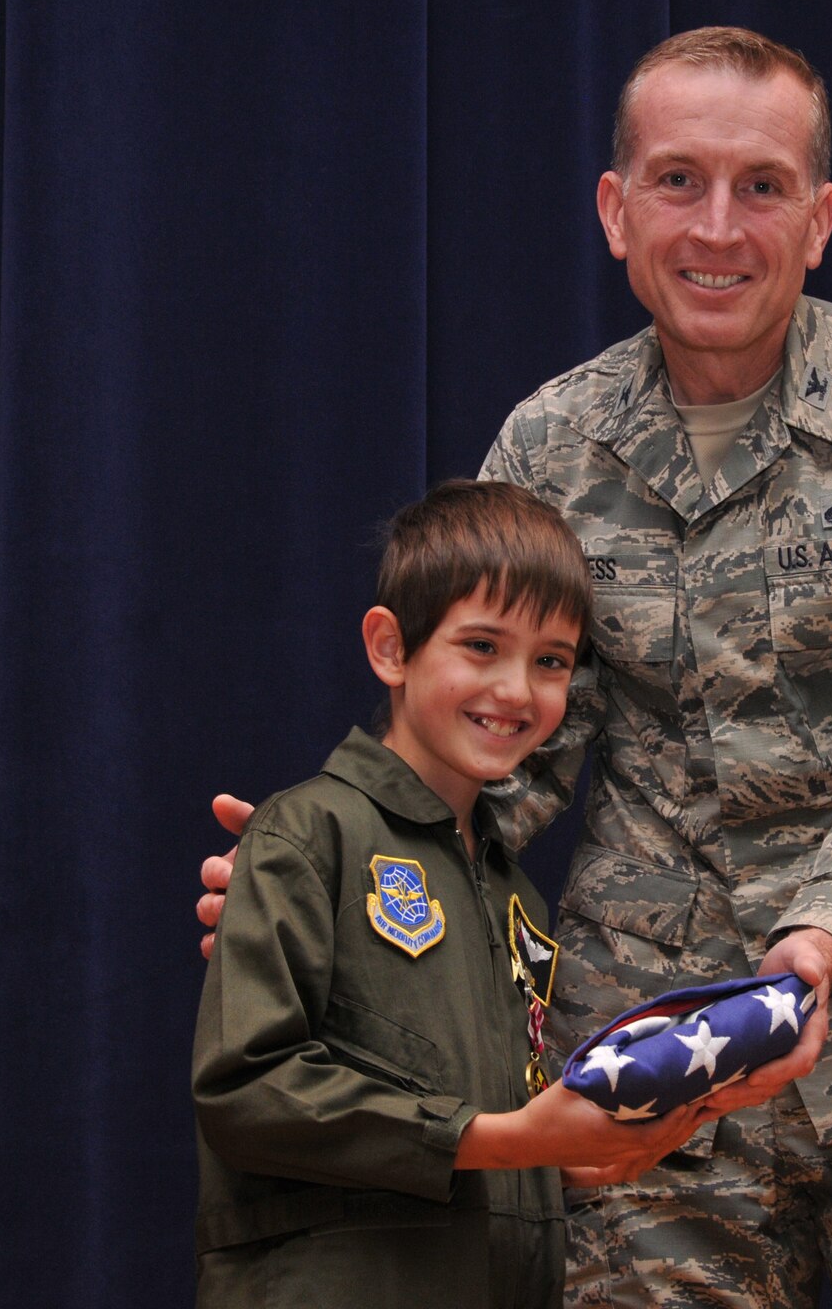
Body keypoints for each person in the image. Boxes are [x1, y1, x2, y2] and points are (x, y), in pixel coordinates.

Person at [201, 26, 832, 1309]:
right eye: (677, 180)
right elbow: (502, 737)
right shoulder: (551, 441)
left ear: (818, 219)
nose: (717, 227)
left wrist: (815, 942)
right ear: (614, 210)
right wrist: (339, 872)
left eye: (762, 187)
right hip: (652, 1076)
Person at [192, 480, 705, 1307]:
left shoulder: (517, 900)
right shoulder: (309, 832)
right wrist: (500, 1140)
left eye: (550, 662)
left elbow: (504, 1129)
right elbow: (246, 1090)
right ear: (392, 648)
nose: (515, 691)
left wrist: (565, 1155)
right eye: (480, 646)